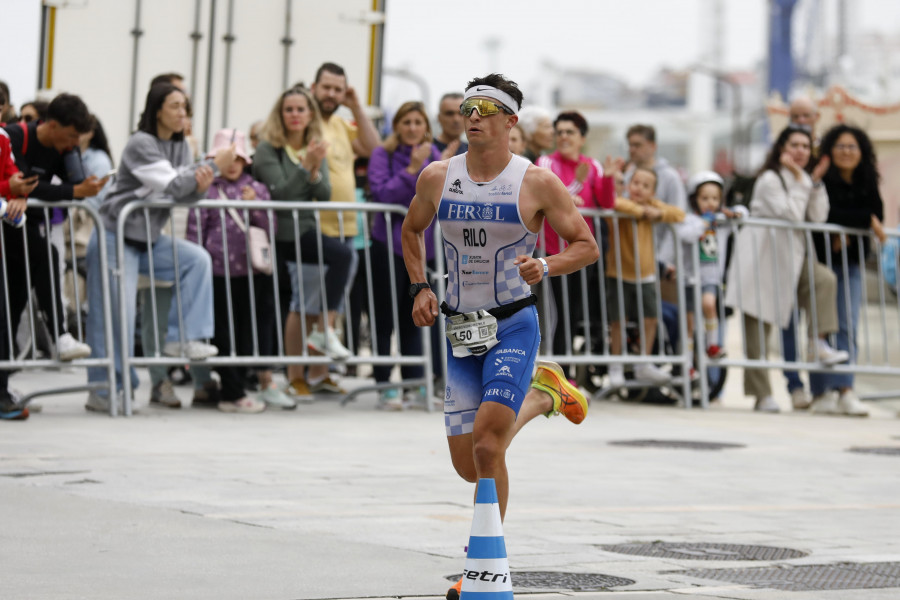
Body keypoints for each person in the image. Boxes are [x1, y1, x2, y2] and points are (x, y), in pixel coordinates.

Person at [400, 73, 597, 600]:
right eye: (468, 108)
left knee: (489, 446)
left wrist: (547, 265)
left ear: (511, 121)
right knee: (469, 467)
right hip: (462, 328)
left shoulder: (537, 182)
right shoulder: (438, 177)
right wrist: (420, 285)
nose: (474, 116)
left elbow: (586, 244)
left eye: (486, 108)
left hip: (513, 321)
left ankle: (482, 572)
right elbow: (411, 229)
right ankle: (545, 393)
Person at [84, 82, 235, 413]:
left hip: (147, 238)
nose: (183, 113)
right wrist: (213, 164)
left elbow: (185, 194)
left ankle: (185, 337)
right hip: (114, 234)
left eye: (185, 106)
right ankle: (105, 389)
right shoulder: (141, 143)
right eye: (175, 106)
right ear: (157, 110)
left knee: (197, 260)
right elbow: (176, 184)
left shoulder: (180, 147)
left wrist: (202, 176)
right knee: (115, 317)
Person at [725, 125, 849, 413]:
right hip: (761, 258)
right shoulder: (770, 178)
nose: (801, 151)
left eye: (806, 146)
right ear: (782, 149)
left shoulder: (802, 179)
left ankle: (817, 341)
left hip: (791, 258)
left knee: (824, 279)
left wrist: (814, 184)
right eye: (795, 145)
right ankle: (761, 394)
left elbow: (817, 217)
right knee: (757, 329)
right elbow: (793, 214)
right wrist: (801, 181)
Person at [187, 128, 294, 413]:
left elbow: (270, 227)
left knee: (250, 333)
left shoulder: (256, 189)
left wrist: (256, 207)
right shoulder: (207, 189)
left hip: (252, 274)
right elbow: (194, 232)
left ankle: (241, 385)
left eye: (237, 158)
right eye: (226, 158)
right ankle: (230, 391)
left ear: (246, 161)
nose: (232, 164)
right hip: (217, 275)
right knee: (223, 333)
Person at [252, 85, 341, 401]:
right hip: (282, 236)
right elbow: (283, 195)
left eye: (301, 109)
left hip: (306, 232)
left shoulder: (315, 146)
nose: (295, 115)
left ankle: (322, 336)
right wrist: (308, 167)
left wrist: (313, 171)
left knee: (312, 294)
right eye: (289, 109)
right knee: (296, 300)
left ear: (310, 114)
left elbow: (325, 193)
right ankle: (299, 365)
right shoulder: (268, 148)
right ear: (280, 114)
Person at [3, 93, 104, 363]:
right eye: (71, 136)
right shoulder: (13, 136)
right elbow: (26, 183)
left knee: (12, 308)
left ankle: (3, 389)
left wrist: (79, 184)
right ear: (51, 125)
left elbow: (77, 186)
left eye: (78, 139)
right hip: (10, 229)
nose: (73, 143)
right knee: (47, 256)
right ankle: (59, 335)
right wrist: (73, 190)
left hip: (28, 231)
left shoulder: (65, 148)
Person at [310, 62, 382, 394]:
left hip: (346, 225)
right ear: (314, 87)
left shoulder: (341, 123)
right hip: (315, 224)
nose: (332, 95)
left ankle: (320, 373)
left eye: (338, 89)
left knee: (330, 302)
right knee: (309, 301)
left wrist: (355, 106)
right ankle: (300, 376)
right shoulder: (306, 121)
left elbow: (374, 148)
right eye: (327, 87)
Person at [368, 101, 441, 409]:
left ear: (426, 127)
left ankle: (416, 383)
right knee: (384, 318)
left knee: (419, 316)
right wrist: (412, 169)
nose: (412, 128)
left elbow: (439, 194)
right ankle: (384, 385)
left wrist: (425, 165)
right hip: (387, 246)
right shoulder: (381, 155)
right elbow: (383, 193)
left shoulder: (435, 157)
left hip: (425, 249)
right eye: (406, 122)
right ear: (397, 126)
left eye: (418, 122)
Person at [806, 125, 883, 417]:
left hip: (851, 263)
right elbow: (825, 214)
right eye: (840, 146)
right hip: (822, 261)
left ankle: (846, 389)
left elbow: (879, 212)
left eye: (852, 146)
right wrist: (863, 220)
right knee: (822, 326)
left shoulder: (867, 179)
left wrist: (858, 223)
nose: (847, 152)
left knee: (848, 324)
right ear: (829, 150)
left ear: (861, 151)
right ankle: (821, 391)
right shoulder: (822, 179)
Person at [535, 111, 615, 364]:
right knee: (559, 314)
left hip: (582, 251)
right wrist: (577, 186)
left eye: (570, 132)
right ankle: (557, 373)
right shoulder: (545, 163)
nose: (563, 137)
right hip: (554, 251)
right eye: (559, 132)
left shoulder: (594, 165)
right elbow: (551, 199)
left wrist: (609, 178)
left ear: (582, 138)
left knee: (575, 314)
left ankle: (566, 375)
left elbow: (606, 204)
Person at [605, 167, 685, 387]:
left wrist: (658, 214)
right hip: (619, 273)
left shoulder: (654, 207)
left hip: (647, 275)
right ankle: (616, 365)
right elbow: (615, 203)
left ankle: (644, 363)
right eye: (636, 183)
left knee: (650, 318)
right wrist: (640, 212)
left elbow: (679, 214)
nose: (639, 188)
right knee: (619, 321)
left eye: (645, 185)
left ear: (653, 192)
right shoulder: (624, 206)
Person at [676, 171, 746, 362]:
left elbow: (744, 215)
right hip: (690, 278)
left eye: (715, 198)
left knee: (709, 304)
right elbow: (685, 235)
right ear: (694, 199)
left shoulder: (722, 222)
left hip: (711, 277)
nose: (710, 203)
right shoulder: (691, 220)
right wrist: (703, 223)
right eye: (705, 198)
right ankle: (688, 362)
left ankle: (713, 345)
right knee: (689, 323)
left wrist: (732, 212)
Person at [0, 128, 40, 420]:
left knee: (2, 321)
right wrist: (7, 189)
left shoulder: (2, 138)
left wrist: (20, 192)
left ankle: (1, 393)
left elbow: (16, 176)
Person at [623, 124, 687, 277]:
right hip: (628, 262)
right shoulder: (626, 175)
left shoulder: (670, 177)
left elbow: (677, 219)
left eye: (637, 145)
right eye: (630, 145)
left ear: (653, 146)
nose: (632, 149)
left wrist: (662, 261)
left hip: (658, 262)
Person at [433, 92, 468, 158]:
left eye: (461, 113)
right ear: (439, 118)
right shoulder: (424, 151)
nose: (456, 119)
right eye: (449, 114)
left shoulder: (473, 151)